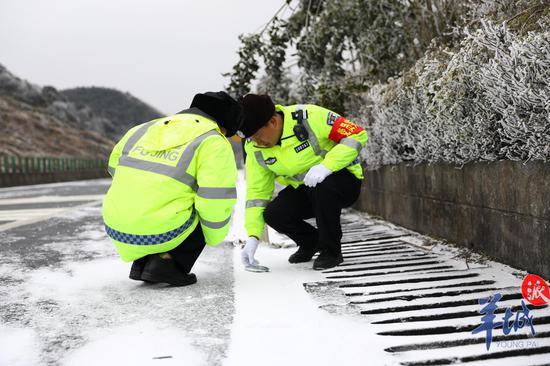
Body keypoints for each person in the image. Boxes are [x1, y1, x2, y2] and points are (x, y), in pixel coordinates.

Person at [102, 91, 241, 286]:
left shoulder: (142, 129)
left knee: (160, 201)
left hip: (115, 227)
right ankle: (168, 264)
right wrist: (213, 237)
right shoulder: (213, 141)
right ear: (223, 125)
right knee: (203, 208)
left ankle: (141, 264)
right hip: (160, 232)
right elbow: (215, 199)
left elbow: (114, 168)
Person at [239, 94, 367, 270]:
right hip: (306, 190)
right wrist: (253, 236)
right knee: (273, 213)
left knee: (323, 187)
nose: (256, 142)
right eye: (251, 139)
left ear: (273, 122)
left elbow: (357, 134)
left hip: (343, 181)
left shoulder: (310, 116)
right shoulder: (255, 149)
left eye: (258, 136)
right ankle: (311, 242)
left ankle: (332, 251)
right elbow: (257, 193)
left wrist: (326, 166)